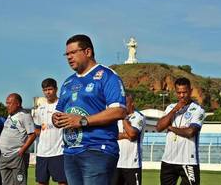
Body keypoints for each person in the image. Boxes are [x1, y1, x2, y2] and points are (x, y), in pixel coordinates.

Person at [52, 34, 127, 185]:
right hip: (70, 151)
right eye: (67, 54)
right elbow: (59, 111)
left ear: (88, 52)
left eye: (73, 52)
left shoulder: (107, 76)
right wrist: (56, 119)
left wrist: (83, 121)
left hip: (97, 149)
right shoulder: (68, 82)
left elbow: (119, 111)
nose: (69, 57)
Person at [156, 77, 206, 185]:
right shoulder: (170, 107)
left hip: (188, 161)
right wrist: (174, 110)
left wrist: (170, 127)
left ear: (191, 91)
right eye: (179, 92)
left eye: (185, 92)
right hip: (168, 160)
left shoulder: (198, 109)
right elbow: (159, 127)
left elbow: (190, 132)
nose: (182, 95)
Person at [33, 78, 67, 185]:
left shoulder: (63, 105)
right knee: (42, 182)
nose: (47, 92)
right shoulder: (40, 108)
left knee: (62, 181)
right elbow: (37, 128)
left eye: (50, 89)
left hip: (59, 152)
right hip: (42, 152)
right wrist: (43, 133)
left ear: (56, 89)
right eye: (45, 90)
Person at [0, 93, 36, 185]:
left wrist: (22, 150)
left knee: (19, 182)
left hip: (17, 155)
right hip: (4, 156)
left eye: (9, 103)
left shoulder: (24, 115)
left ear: (18, 104)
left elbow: (32, 135)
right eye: (6, 103)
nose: (7, 105)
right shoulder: (9, 116)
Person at [112, 93, 146, 185]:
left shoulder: (139, 117)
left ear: (132, 103)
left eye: (125, 103)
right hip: (116, 164)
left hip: (132, 164)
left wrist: (123, 117)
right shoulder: (115, 118)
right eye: (121, 104)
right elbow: (111, 135)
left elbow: (132, 134)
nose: (122, 106)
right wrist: (125, 135)